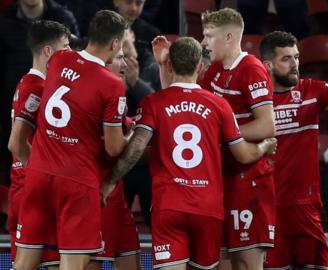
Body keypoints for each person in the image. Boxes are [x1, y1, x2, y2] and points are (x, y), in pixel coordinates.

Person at [101, 36, 277, 270]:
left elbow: (136, 148)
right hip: (208, 208)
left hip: (169, 206)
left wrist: (111, 180)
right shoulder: (219, 105)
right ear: (201, 67)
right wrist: (264, 146)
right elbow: (243, 154)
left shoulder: (154, 102)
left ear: (170, 66)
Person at [13, 10, 129, 270]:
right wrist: (132, 136)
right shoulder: (112, 84)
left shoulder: (59, 59)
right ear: (114, 44)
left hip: (39, 175)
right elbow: (113, 148)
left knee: (24, 262)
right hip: (76, 181)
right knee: (73, 263)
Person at [258, 30, 328, 270]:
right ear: (267, 65)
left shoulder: (311, 89)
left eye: (297, 57)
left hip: (306, 207)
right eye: (287, 59)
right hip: (268, 208)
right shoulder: (255, 103)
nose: (295, 65)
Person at [196, 8, 276, 269]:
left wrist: (223, 134)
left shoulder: (251, 69)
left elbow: (267, 125)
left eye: (208, 36)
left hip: (248, 180)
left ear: (229, 38)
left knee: (246, 262)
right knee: (221, 262)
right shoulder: (216, 69)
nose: (204, 42)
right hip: (221, 178)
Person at [7, 19, 70, 269]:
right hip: (30, 191)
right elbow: (16, 144)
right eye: (65, 46)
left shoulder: (31, 84)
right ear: (48, 51)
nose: (70, 53)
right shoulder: (36, 86)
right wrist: (43, 176)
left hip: (29, 189)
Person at [87, 48, 141, 270]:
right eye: (119, 58)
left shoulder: (117, 96)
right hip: (99, 194)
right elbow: (114, 147)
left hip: (116, 194)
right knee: (92, 263)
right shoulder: (94, 98)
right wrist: (133, 134)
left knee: (131, 260)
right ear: (104, 64)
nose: (125, 65)